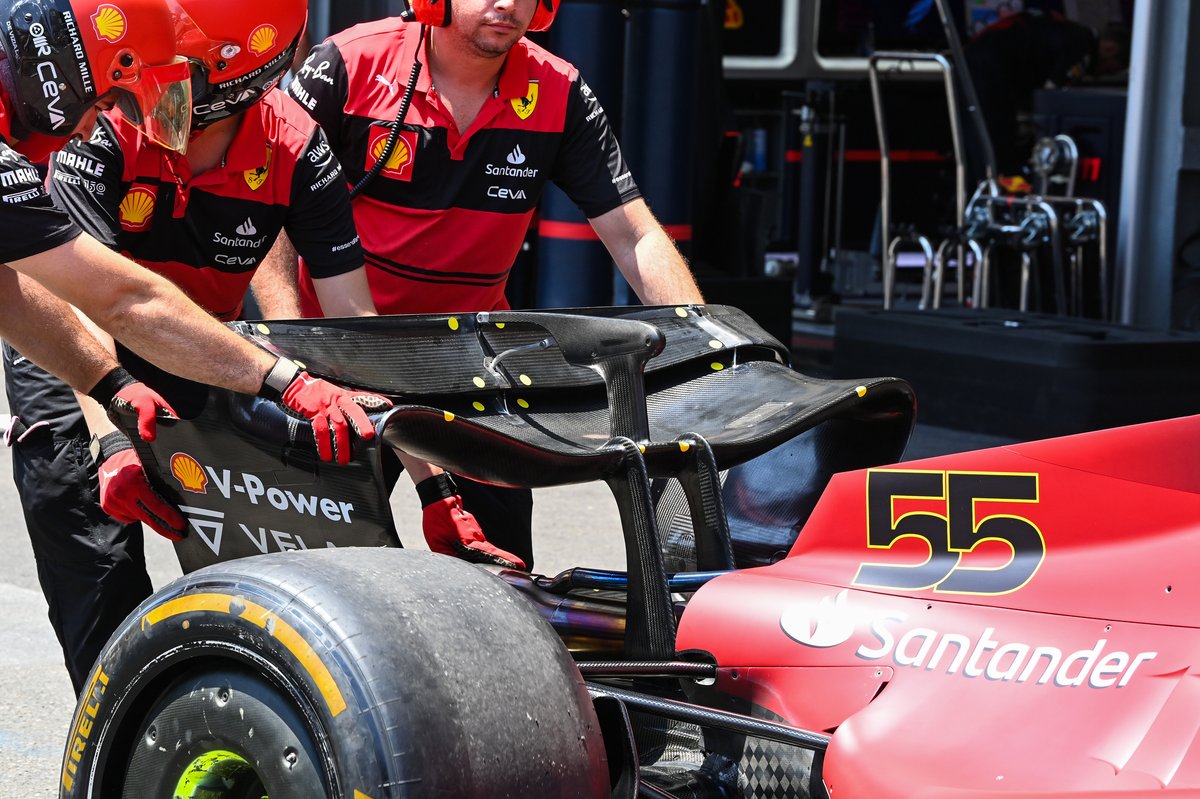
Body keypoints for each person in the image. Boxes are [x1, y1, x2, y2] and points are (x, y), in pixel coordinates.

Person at [0, 0, 391, 693]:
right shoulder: (64, 148)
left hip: (182, 342)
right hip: (119, 325)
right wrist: (116, 431)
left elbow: (9, 293)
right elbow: (113, 299)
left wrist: (109, 385)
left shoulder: (292, 143)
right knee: (85, 522)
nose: (102, 118)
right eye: (105, 99)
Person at [286, 0, 705, 569]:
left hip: (470, 363)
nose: (506, 3)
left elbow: (634, 236)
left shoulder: (558, 91)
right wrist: (286, 345)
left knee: (505, 575)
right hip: (336, 365)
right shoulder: (347, 64)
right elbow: (267, 206)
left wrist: (705, 343)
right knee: (316, 575)